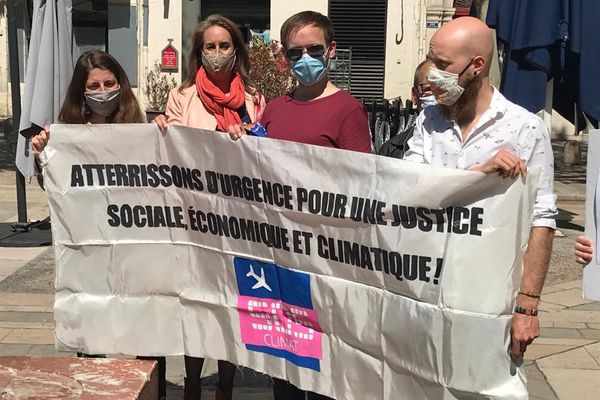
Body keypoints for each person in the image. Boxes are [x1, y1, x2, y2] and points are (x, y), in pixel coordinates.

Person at [228, 10, 370, 400]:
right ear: (284, 59)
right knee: (285, 354)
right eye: (295, 53)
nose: (304, 59)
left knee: (326, 358)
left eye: (313, 49)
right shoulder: (274, 109)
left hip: (325, 256)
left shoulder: (348, 109)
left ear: (331, 52)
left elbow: (362, 186)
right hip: (278, 253)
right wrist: (238, 139)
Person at [403, 17, 557, 359]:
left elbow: (541, 220)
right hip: (422, 292)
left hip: (489, 302)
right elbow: (411, 192)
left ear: (476, 66)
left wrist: (528, 307)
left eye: (442, 65)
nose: (430, 74)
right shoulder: (428, 122)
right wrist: (480, 174)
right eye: (431, 61)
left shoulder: (525, 129)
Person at [30, 51, 167, 400]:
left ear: (120, 85)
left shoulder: (142, 130)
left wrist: (166, 136)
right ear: (82, 91)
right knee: (92, 323)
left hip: (138, 250)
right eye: (94, 86)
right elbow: (56, 191)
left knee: (146, 325)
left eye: (109, 83)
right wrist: (42, 153)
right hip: (91, 251)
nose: (103, 91)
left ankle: (152, 392)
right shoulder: (65, 134)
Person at [152, 14, 264, 400]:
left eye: (224, 46)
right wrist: (164, 128)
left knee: (232, 307)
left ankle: (227, 384)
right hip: (194, 221)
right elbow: (174, 155)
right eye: (209, 46)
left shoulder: (255, 99)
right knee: (196, 305)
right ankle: (193, 383)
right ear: (199, 52)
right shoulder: (181, 97)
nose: (217, 53)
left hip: (239, 223)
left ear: (236, 50)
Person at [377, 59, 436, 158]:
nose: (438, 96)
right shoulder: (391, 151)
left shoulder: (467, 148)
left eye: (446, 88)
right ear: (414, 95)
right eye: (428, 89)